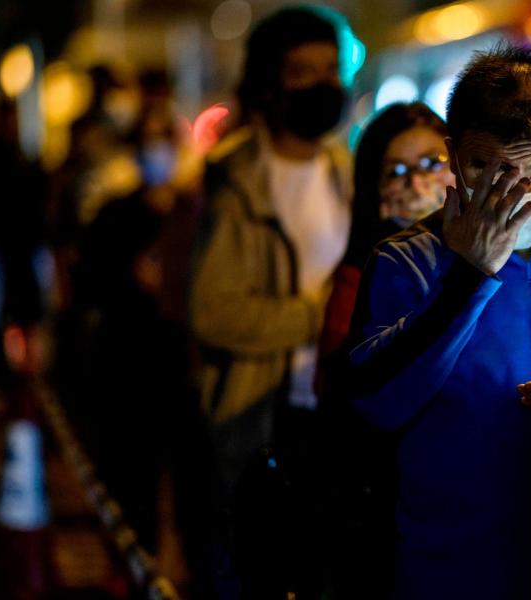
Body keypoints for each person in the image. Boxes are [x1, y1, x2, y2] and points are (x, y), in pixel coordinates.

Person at [342, 44, 531, 599]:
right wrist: (470, 274)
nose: (520, 195)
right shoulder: (405, 262)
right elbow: (376, 405)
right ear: (456, 157)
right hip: (449, 570)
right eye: (492, 172)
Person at [189, 4, 352, 490]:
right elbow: (214, 313)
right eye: (303, 72)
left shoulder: (346, 170)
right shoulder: (233, 183)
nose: (323, 85)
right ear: (269, 86)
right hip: (260, 414)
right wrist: (322, 316)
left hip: (334, 404)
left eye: (331, 70)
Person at [319, 101, 453, 367]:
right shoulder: (361, 275)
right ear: (375, 191)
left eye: (433, 162)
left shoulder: (504, 247)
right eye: (397, 172)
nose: (417, 182)